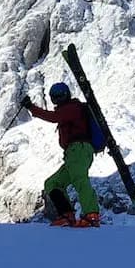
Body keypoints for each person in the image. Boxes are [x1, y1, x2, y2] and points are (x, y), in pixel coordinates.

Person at [20, 81, 100, 227]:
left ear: (66, 95)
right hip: (73, 153)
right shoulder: (67, 109)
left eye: (59, 96)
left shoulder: (72, 108)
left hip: (79, 149)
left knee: (80, 179)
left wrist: (31, 107)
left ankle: (91, 214)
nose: (56, 100)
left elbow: (53, 117)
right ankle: (67, 215)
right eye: (54, 97)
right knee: (52, 183)